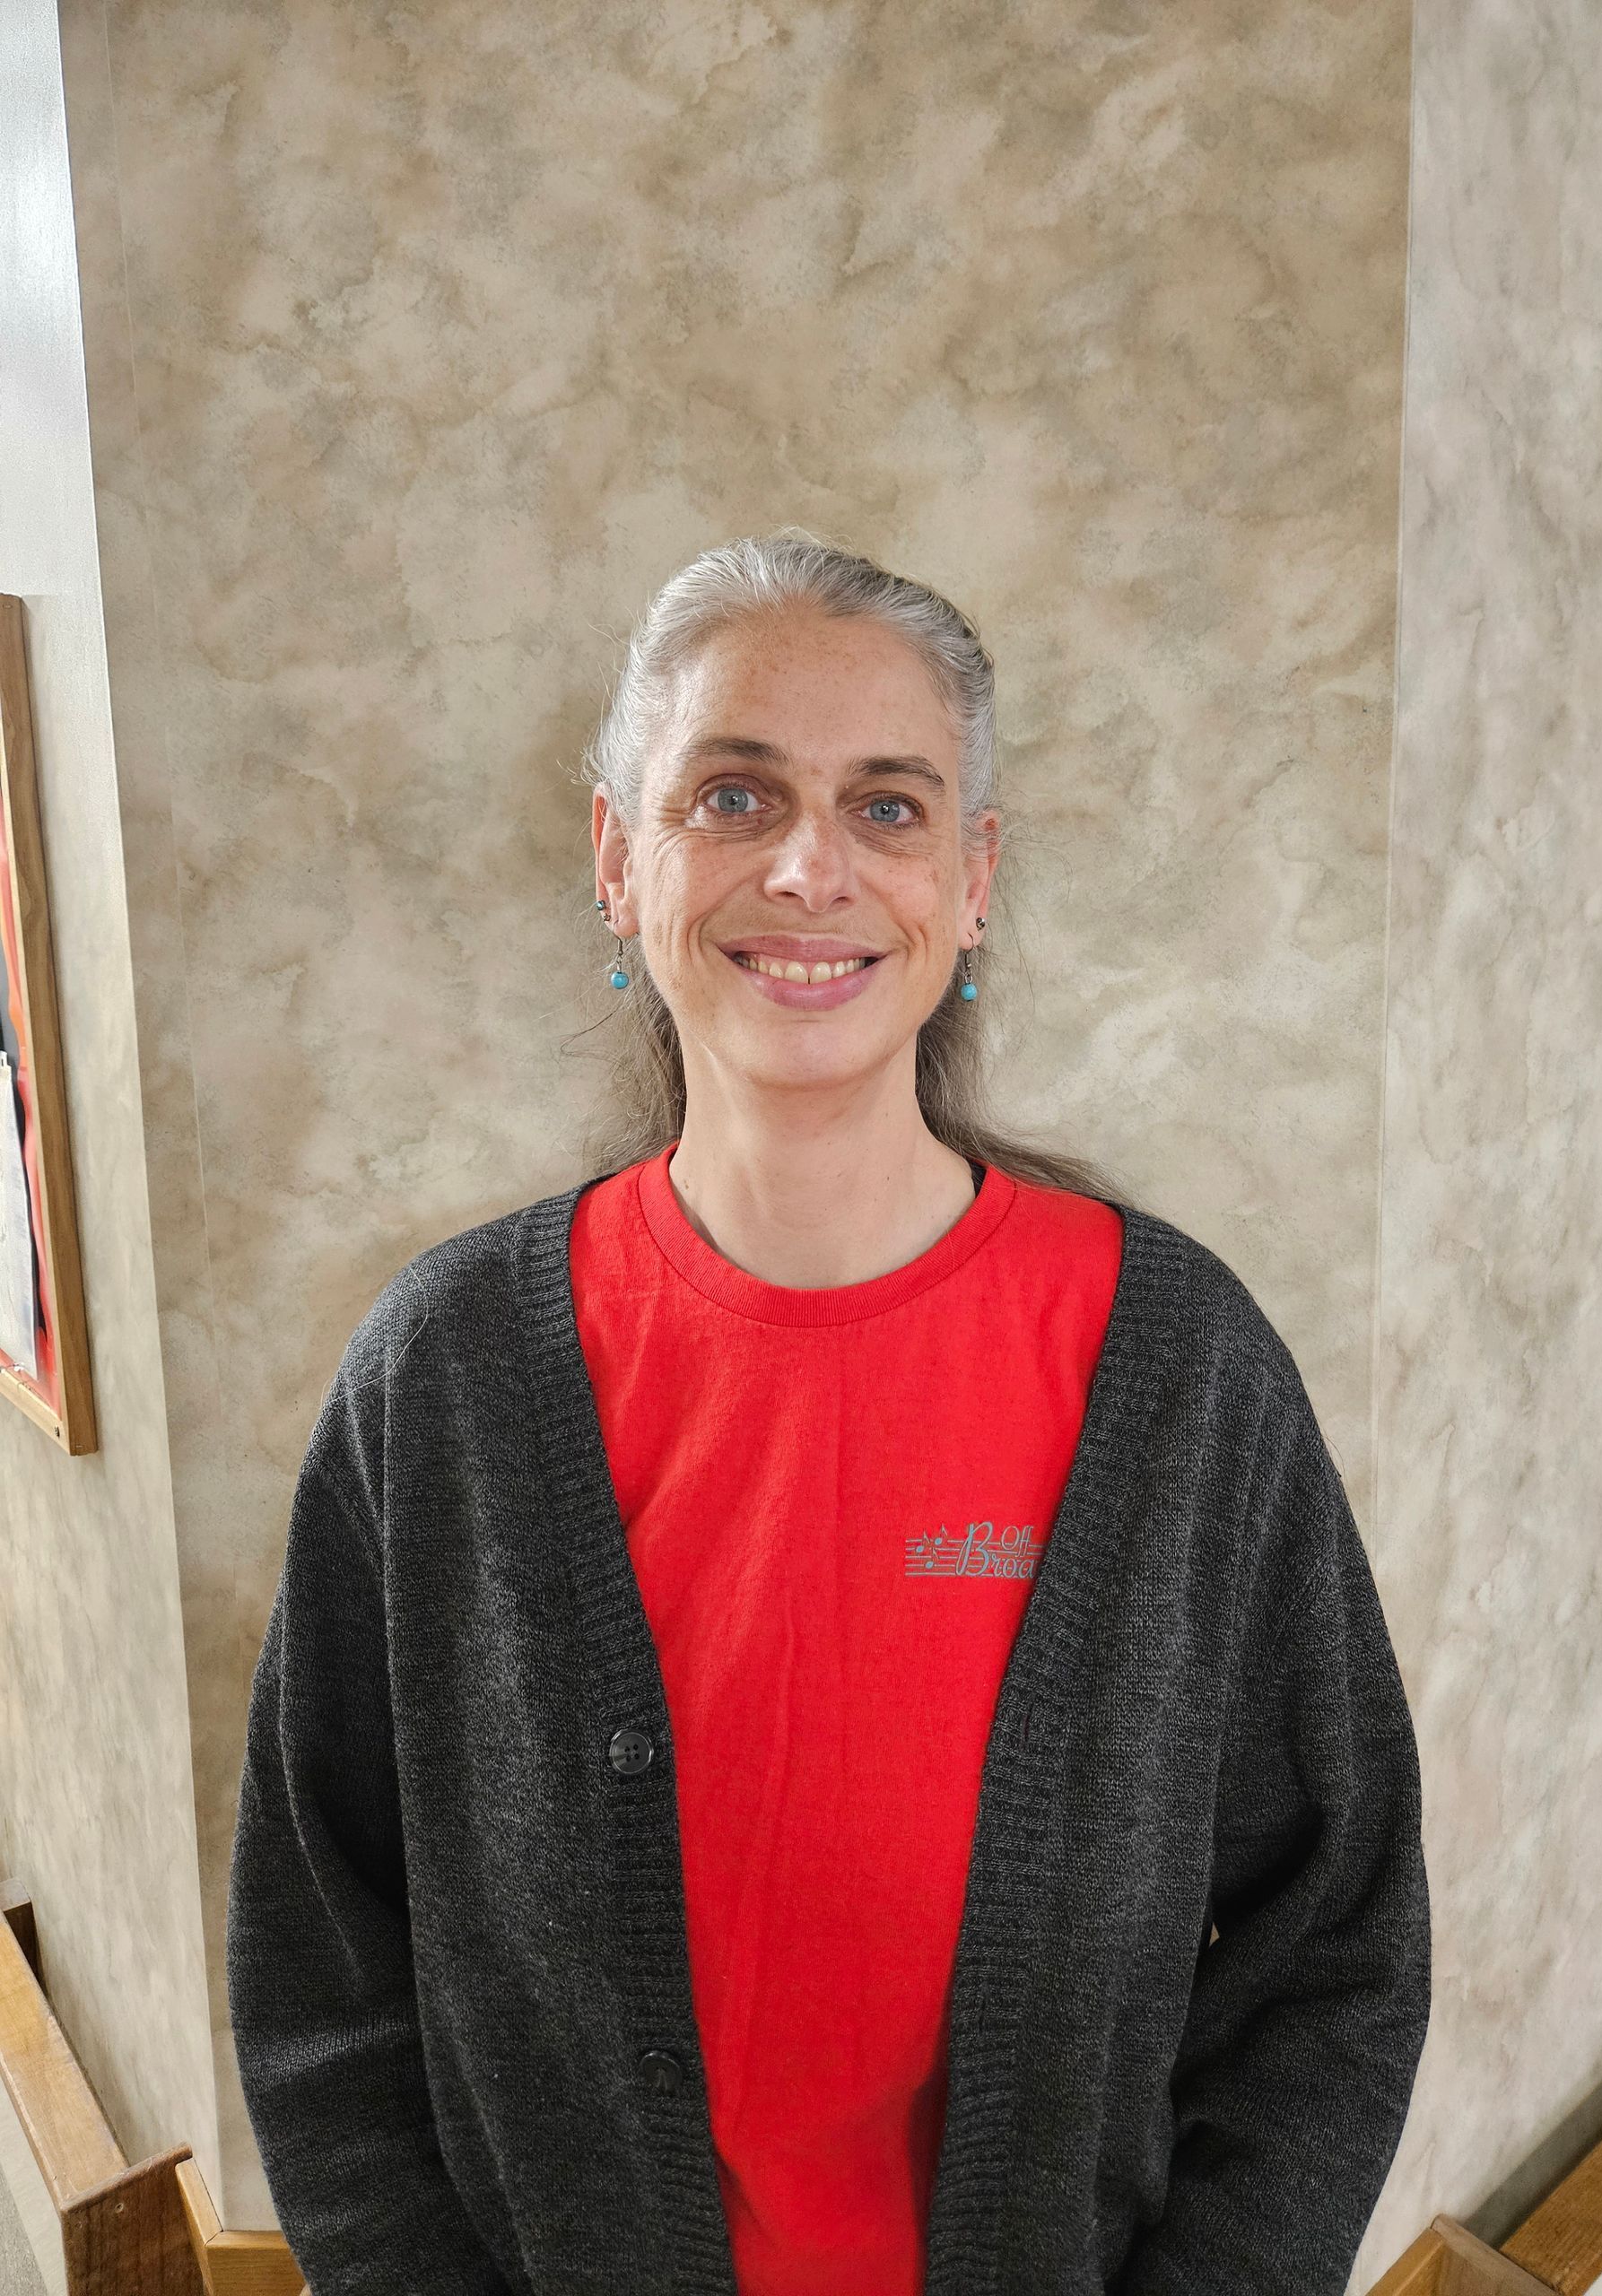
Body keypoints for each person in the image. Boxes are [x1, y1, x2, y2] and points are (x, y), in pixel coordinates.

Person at [226, 530, 1431, 2296]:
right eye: (734, 795)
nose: (810, 867)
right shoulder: (445, 1382)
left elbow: (1336, 1944)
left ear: (973, 876)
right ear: (618, 859)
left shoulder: (1177, 1374)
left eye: (887, 806)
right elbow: (323, 1961)